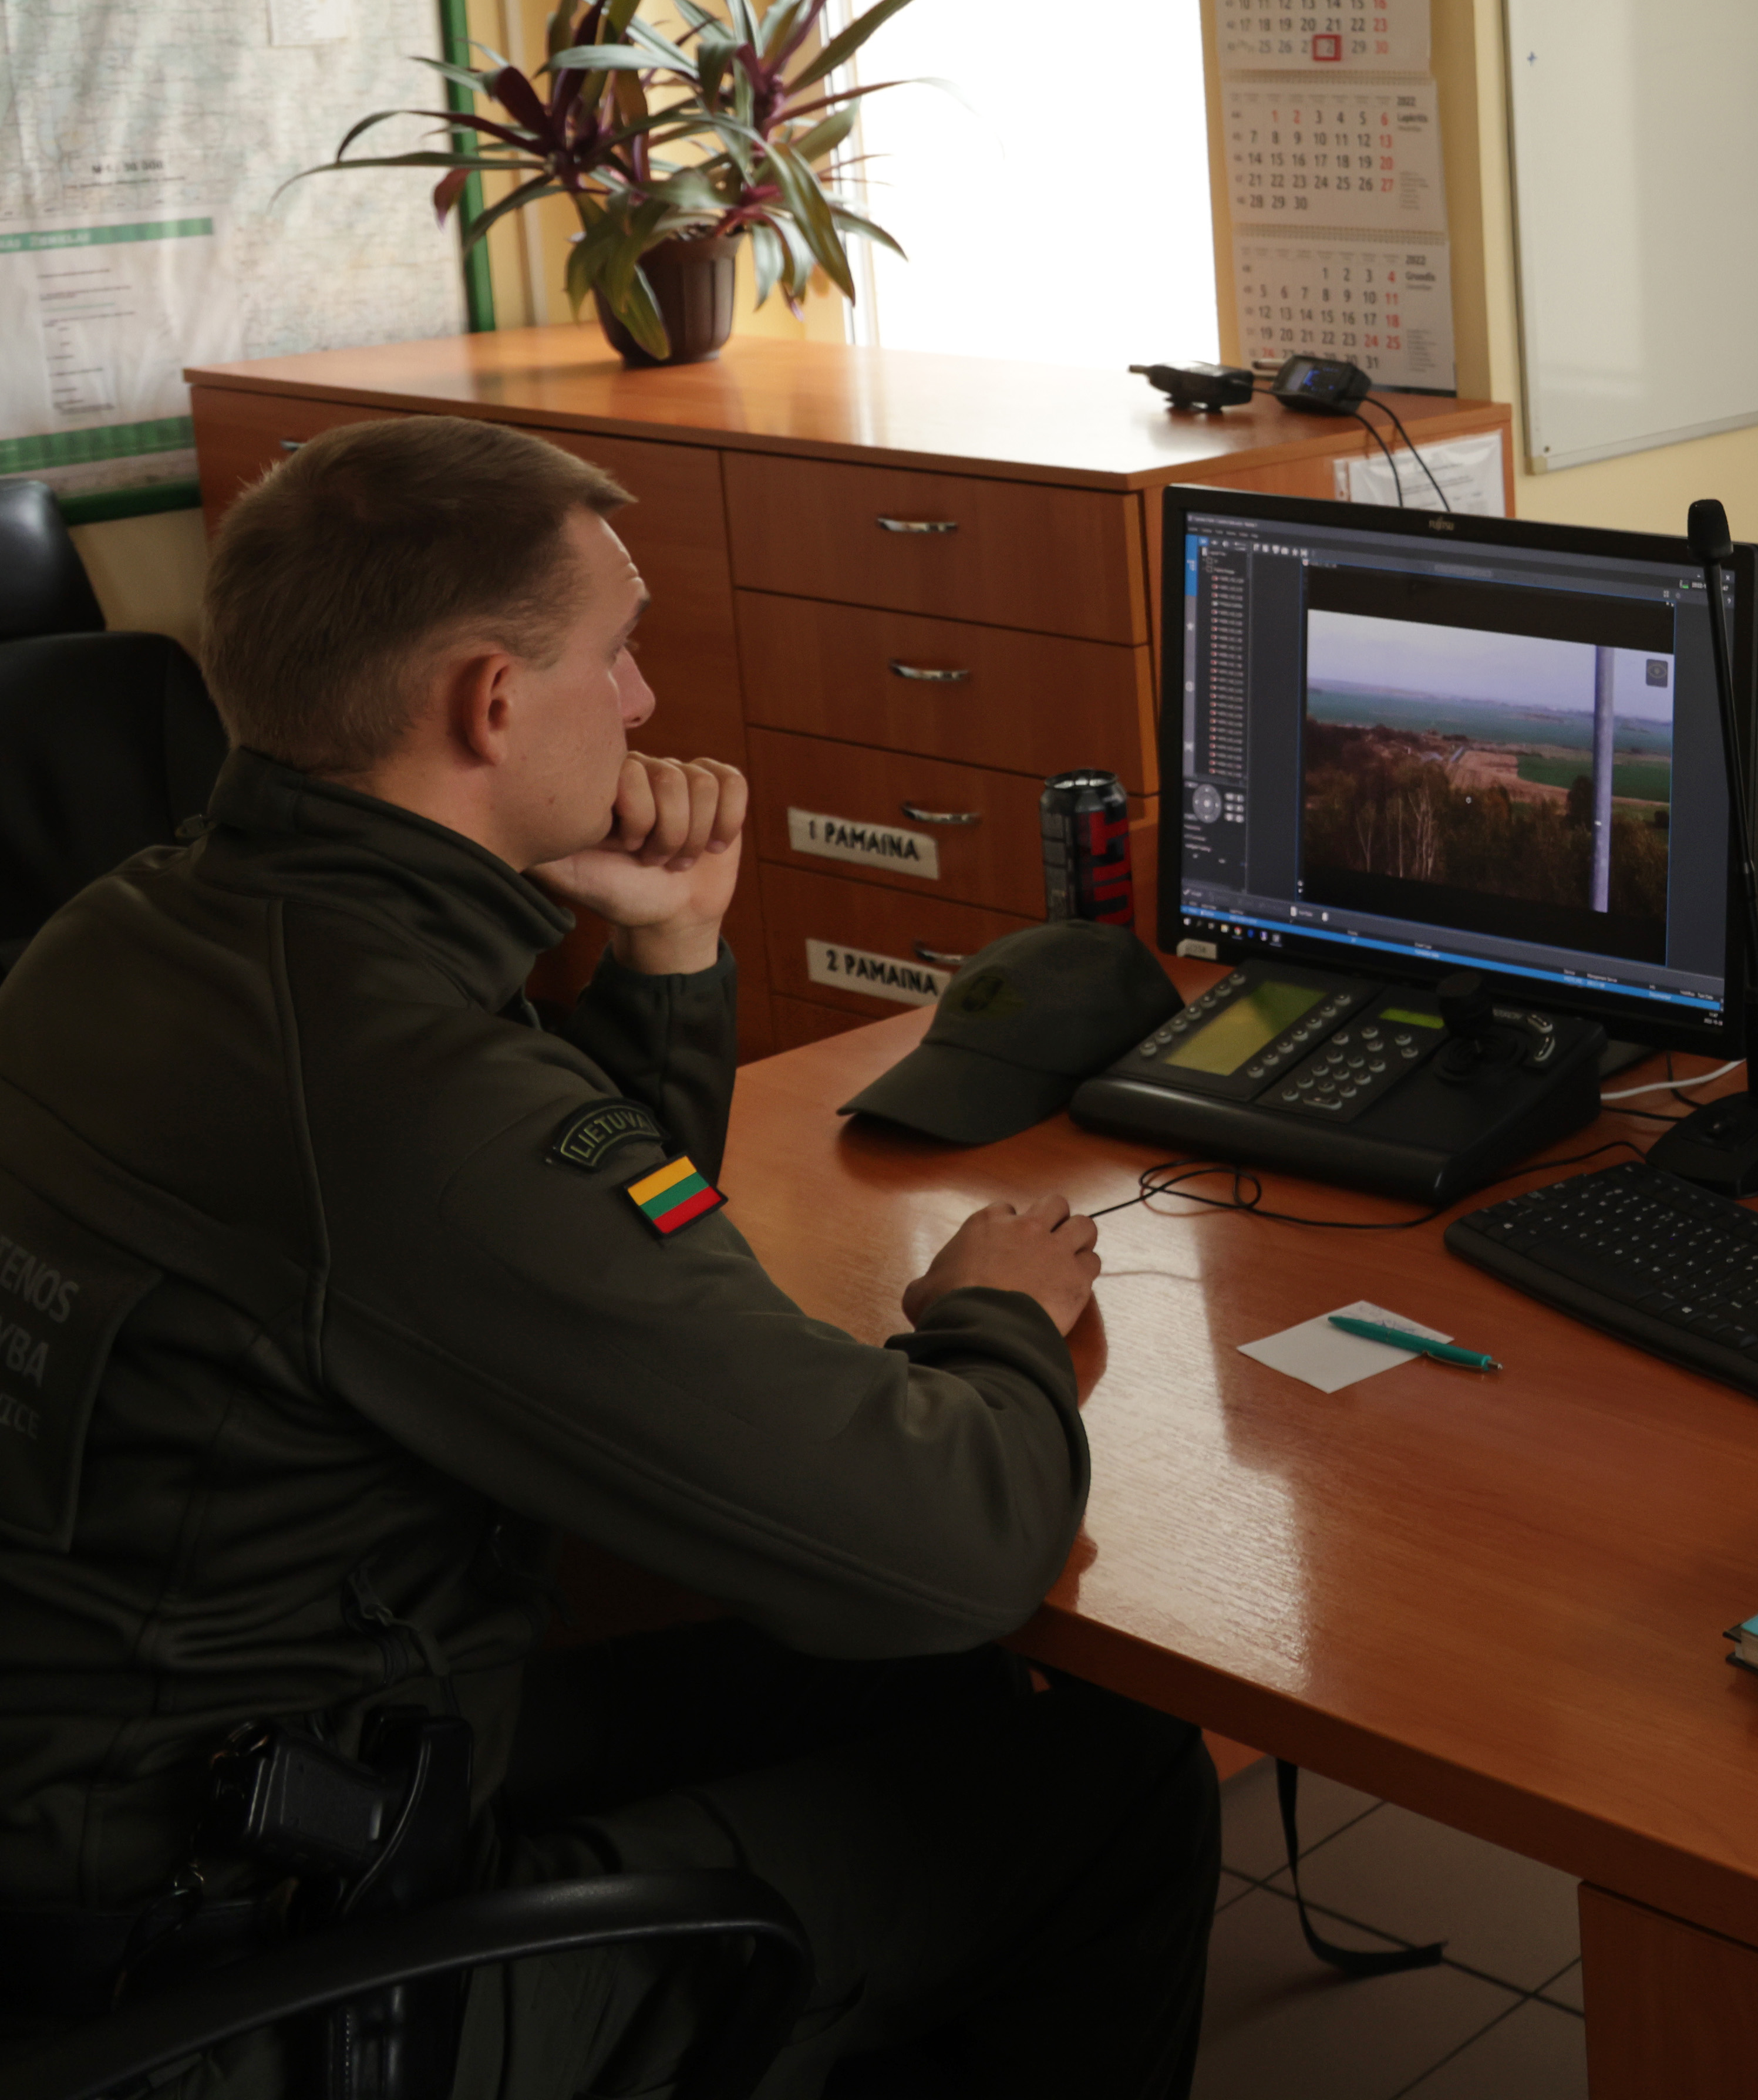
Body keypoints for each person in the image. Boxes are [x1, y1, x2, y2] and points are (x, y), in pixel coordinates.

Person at [0, 419, 1212, 2096]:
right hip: (246, 1978)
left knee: (914, 1688)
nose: (644, 703)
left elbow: (539, 1232)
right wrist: (994, 1321)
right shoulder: (400, 1093)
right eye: (619, 652)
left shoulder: (141, 933)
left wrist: (671, 951)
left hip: (168, 1798)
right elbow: (958, 1545)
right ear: (492, 703)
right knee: (1109, 1778)